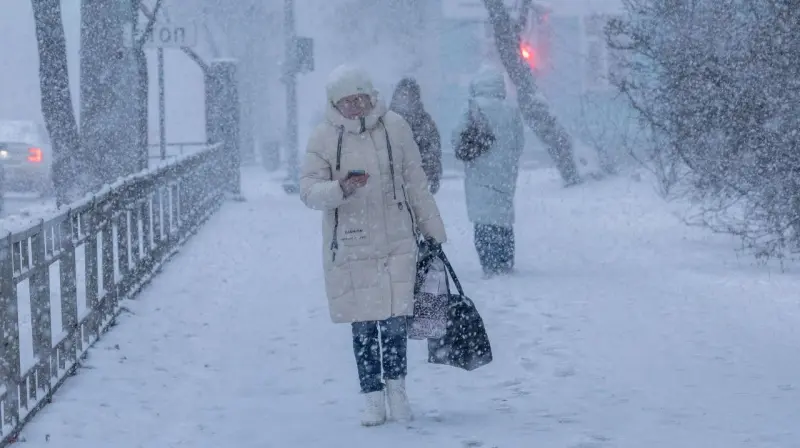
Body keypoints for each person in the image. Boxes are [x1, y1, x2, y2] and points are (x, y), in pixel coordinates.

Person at [300, 64, 447, 426]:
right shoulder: (323, 137)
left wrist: (434, 232)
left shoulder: (395, 127)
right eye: (347, 101)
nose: (355, 106)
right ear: (336, 103)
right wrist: (341, 189)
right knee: (363, 326)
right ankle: (372, 399)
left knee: (395, 322)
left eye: (360, 98)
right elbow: (308, 191)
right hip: (350, 244)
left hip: (397, 239)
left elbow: (416, 182)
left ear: (371, 97)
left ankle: (397, 391)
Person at [451, 67, 524, 277]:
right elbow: (519, 142)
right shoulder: (511, 110)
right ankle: (505, 261)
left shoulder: (472, 108)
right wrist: (506, 159)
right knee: (503, 219)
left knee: (483, 218)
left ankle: (489, 263)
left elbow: (457, 137)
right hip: (504, 174)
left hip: (479, 172)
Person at [389, 77, 443, 194]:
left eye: (410, 95)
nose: (406, 98)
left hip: (417, 180)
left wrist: (434, 175)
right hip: (392, 182)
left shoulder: (425, 122)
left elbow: (433, 151)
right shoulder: (387, 120)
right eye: (403, 94)